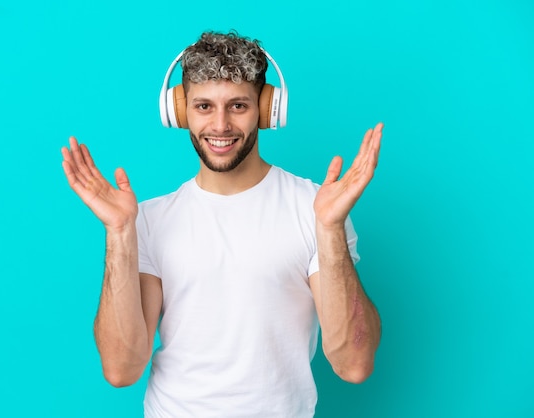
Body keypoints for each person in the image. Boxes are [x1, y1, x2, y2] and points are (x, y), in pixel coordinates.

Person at [61, 30, 382, 417]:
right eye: (203, 106)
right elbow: (121, 369)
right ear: (179, 112)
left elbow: (354, 364)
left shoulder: (315, 210)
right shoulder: (148, 220)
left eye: (238, 106)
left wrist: (330, 230)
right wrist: (118, 233)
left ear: (266, 109)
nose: (220, 125)